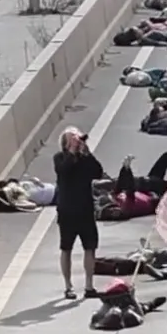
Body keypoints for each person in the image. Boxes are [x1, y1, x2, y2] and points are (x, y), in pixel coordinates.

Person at [53, 127, 106, 300]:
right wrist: (72, 152)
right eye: (73, 138)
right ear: (65, 143)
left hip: (85, 210)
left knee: (90, 247)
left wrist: (87, 153)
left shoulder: (85, 159)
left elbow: (98, 172)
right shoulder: (60, 158)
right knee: (66, 248)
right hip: (67, 211)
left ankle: (89, 285)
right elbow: (64, 170)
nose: (77, 140)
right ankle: (68, 286)